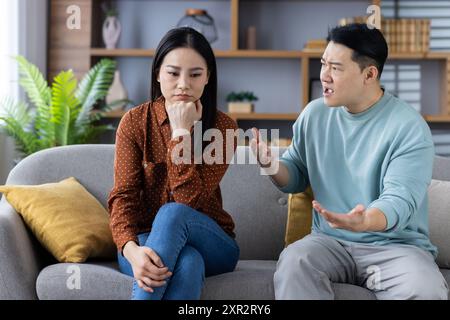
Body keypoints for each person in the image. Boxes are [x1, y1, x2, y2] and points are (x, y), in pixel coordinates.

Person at [251, 23, 449, 300]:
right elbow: (295, 175)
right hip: (329, 242)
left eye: (336, 68)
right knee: (295, 260)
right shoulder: (314, 115)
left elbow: (400, 200)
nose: (324, 76)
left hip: (395, 248)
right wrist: (270, 164)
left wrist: (365, 221)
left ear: (369, 74)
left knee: (424, 288)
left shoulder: (408, 127)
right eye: (323, 64)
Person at [108, 27, 239, 300]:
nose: (183, 84)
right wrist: (132, 252)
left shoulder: (223, 128)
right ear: (157, 73)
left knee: (172, 213)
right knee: (188, 263)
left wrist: (180, 133)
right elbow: (123, 197)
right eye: (173, 72)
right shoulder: (134, 123)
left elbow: (188, 203)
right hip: (144, 238)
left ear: (208, 78)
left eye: (195, 74)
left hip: (211, 241)